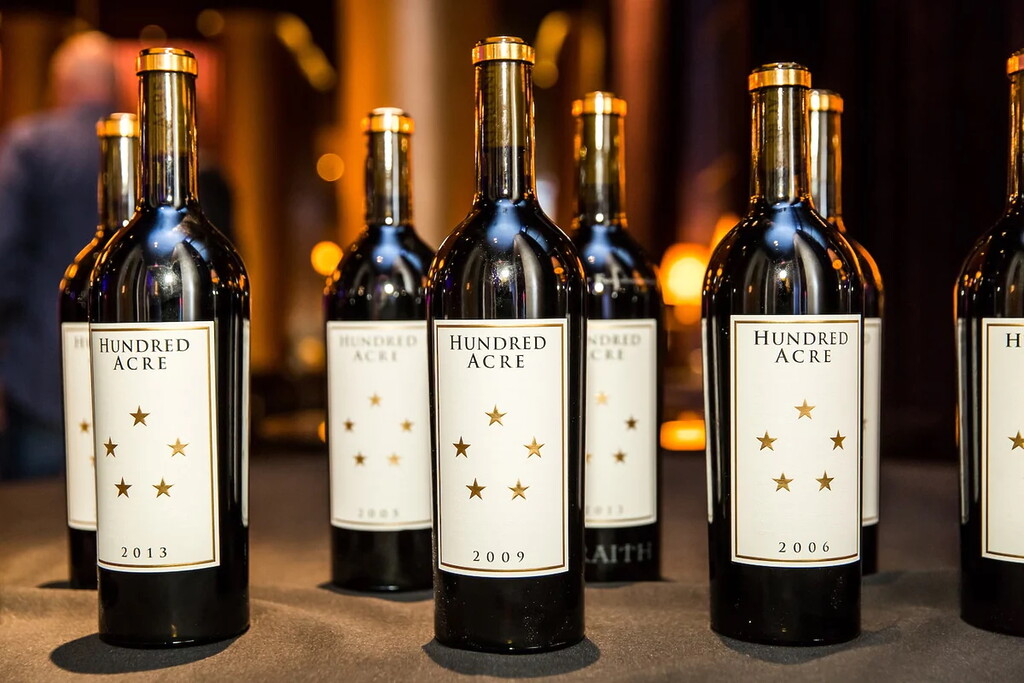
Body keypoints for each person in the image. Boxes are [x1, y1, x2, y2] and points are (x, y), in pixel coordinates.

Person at [0, 31, 118, 479]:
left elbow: (4, 252)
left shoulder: (29, 145)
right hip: (140, 374)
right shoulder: (153, 151)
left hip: (43, 371)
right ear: (115, 86)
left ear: (61, 85)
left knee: (40, 512)